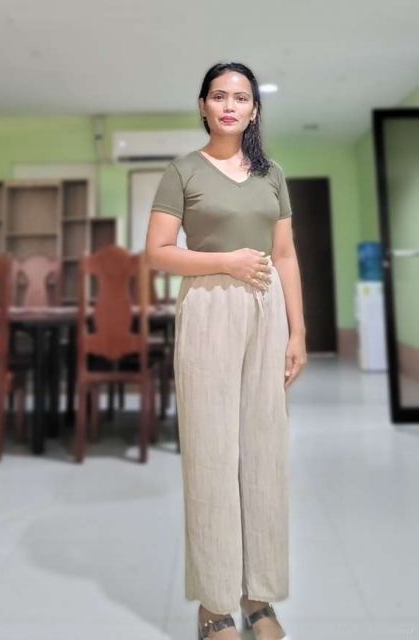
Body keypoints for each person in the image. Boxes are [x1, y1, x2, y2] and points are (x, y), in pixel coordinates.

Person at [145, 62, 307, 640]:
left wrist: (298, 331)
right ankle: (214, 606)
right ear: (203, 106)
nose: (230, 105)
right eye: (219, 96)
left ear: (254, 110)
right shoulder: (182, 171)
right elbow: (158, 252)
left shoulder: (272, 175)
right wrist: (226, 261)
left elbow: (284, 255)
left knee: (264, 452)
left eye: (241, 97)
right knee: (212, 456)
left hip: (267, 311)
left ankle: (259, 596)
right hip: (209, 306)